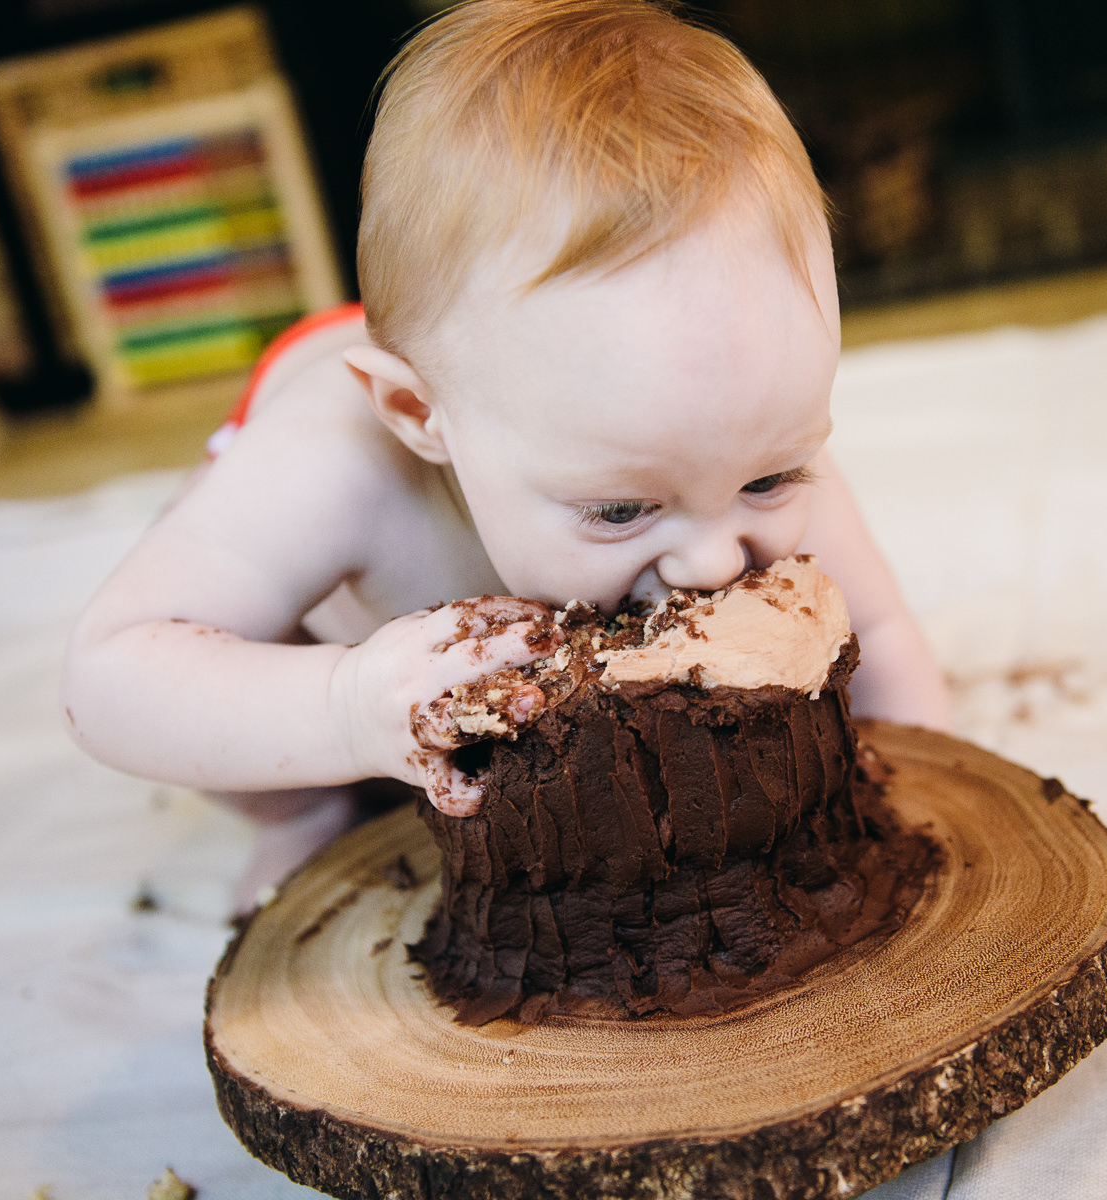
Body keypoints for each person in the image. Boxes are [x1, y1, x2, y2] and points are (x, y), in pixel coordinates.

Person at [61, 0, 951, 912]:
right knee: (230, 676)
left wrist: (914, 780)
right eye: (619, 510)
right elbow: (108, 677)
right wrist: (347, 707)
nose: (713, 563)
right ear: (418, 411)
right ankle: (299, 816)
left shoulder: (712, 433)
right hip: (309, 534)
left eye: (769, 481)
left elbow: (877, 635)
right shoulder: (338, 465)